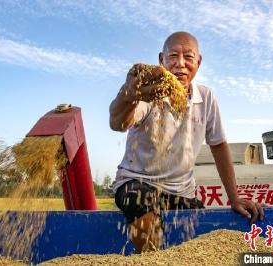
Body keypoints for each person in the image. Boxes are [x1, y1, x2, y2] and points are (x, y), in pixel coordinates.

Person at [109, 32, 264, 253]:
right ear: (161, 60)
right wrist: (127, 96)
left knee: (200, 241)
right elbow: (117, 122)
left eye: (188, 57)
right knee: (139, 204)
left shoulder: (206, 97)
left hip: (181, 191)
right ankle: (152, 260)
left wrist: (234, 197)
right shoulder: (148, 93)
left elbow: (219, 146)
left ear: (198, 62)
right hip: (137, 182)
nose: (180, 64)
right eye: (173, 56)